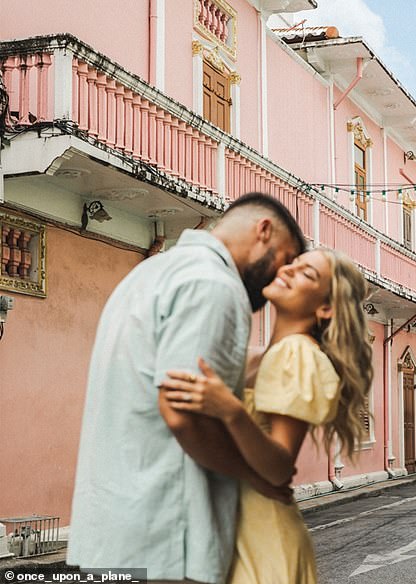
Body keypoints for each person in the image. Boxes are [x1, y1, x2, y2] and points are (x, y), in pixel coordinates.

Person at [66, 193, 305, 584]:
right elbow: (181, 411)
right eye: (285, 259)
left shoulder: (150, 273)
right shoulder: (213, 285)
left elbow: (197, 369)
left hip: (117, 536)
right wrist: (255, 476)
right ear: (264, 231)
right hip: (167, 539)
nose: (280, 276)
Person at [161, 247, 373, 584]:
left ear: (325, 308)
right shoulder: (261, 356)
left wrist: (229, 410)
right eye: (295, 264)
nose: (288, 269)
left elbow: (278, 467)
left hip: (261, 536)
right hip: (231, 528)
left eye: (307, 274)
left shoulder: (297, 353)